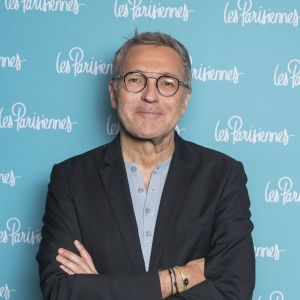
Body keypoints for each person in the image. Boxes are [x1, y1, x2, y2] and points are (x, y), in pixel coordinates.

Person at [36, 31, 255, 299]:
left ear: (184, 100)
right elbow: (61, 290)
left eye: (167, 83)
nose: (150, 96)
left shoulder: (223, 176)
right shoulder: (70, 178)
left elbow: (233, 291)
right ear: (114, 94)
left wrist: (101, 287)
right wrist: (177, 278)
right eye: (136, 80)